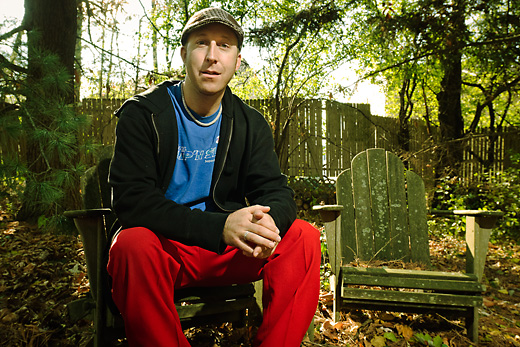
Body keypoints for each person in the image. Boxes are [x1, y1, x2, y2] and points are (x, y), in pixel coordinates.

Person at [107, 7, 321, 347]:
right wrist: (218, 227)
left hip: (230, 249)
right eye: (201, 43)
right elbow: (132, 202)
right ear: (184, 54)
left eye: (224, 45)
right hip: (167, 248)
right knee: (130, 245)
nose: (212, 56)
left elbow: (276, 192)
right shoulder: (144, 114)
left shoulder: (249, 123)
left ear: (237, 61)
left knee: (303, 238)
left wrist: (264, 224)